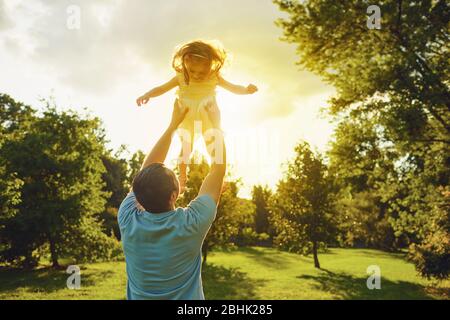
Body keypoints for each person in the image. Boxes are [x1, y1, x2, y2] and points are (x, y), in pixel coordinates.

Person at [118, 99, 226, 300]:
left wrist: (172, 125)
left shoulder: (127, 217)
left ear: (138, 194)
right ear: (174, 195)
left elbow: (147, 168)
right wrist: (215, 126)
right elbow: (218, 170)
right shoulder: (192, 223)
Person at [136, 39, 257, 192]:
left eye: (201, 72)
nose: (197, 75)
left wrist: (246, 90)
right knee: (186, 147)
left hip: (208, 115)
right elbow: (162, 88)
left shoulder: (214, 77)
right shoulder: (180, 77)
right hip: (186, 116)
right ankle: (182, 177)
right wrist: (148, 94)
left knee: (213, 146)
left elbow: (233, 88)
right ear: (185, 62)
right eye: (192, 71)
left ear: (210, 66)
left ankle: (220, 177)